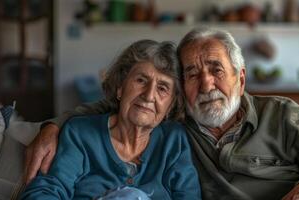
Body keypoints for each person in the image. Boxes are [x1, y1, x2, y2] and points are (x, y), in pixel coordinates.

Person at [25, 28, 299, 200]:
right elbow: (129, 107)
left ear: (241, 77)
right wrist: (55, 124)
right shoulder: (179, 123)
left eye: (216, 70)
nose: (206, 84)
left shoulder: (283, 116)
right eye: (191, 73)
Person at [20, 40, 201, 199]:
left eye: (162, 88)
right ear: (120, 88)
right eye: (141, 80)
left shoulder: (174, 141)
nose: (149, 95)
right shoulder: (81, 134)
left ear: (170, 106)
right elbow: (45, 191)